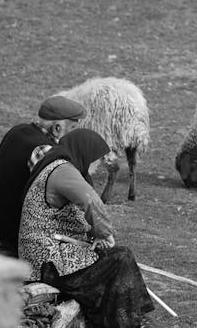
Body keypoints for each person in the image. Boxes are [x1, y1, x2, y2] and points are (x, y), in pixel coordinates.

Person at [19, 128, 154, 328]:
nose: (96, 165)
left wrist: (93, 234)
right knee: (121, 258)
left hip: (49, 254)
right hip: (46, 261)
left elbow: (73, 213)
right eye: (96, 160)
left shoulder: (55, 165)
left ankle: (126, 318)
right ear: (84, 152)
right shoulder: (62, 170)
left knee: (111, 260)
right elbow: (91, 200)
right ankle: (128, 322)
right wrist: (103, 232)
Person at [0, 94, 86, 257]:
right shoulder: (44, 151)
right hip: (16, 239)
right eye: (72, 129)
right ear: (57, 128)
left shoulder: (16, 132)